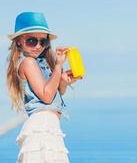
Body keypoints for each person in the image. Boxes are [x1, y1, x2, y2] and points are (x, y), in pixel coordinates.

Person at [6, 12, 81, 163]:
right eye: (32, 40)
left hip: (49, 128)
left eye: (43, 41)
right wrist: (59, 65)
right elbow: (46, 97)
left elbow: (54, 95)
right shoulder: (28, 63)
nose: (39, 46)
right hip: (42, 128)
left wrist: (63, 82)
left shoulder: (40, 63)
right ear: (19, 41)